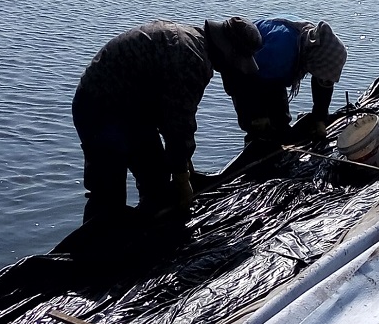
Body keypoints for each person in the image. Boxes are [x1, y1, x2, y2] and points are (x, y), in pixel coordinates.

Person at [72, 17, 262, 222]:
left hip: (132, 109)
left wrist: (183, 163)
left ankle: (148, 229)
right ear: (227, 50)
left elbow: (170, 115)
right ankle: (100, 239)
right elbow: (179, 123)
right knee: (108, 193)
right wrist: (182, 179)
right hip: (101, 106)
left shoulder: (196, 43)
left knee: (156, 177)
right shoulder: (192, 59)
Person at [221, 18, 347, 143]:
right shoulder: (282, 52)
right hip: (242, 70)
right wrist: (258, 113)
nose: (324, 78)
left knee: (280, 123)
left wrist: (320, 119)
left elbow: (322, 84)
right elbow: (251, 81)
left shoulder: (313, 45)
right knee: (259, 126)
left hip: (271, 73)